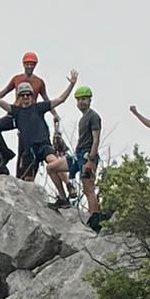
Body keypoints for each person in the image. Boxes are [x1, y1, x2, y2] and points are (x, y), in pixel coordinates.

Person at [0, 70, 80, 182]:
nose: (26, 97)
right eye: (23, 95)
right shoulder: (17, 111)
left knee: (52, 161)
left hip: (42, 144)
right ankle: (57, 196)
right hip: (29, 150)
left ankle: (68, 184)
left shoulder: (39, 107)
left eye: (28, 94)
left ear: (31, 96)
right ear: (19, 97)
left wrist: (72, 84)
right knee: (27, 179)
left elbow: (60, 100)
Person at [48, 84, 110, 227]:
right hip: (77, 156)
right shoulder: (83, 118)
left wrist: (90, 160)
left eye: (84, 99)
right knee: (51, 168)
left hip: (87, 157)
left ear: (90, 100)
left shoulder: (94, 117)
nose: (81, 102)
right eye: (78, 100)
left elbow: (96, 139)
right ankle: (64, 198)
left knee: (88, 189)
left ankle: (94, 219)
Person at [0, 52, 47, 169]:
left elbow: (46, 99)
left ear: (35, 65)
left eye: (32, 64)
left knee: (24, 148)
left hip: (29, 117)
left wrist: (55, 114)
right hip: (16, 112)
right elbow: (3, 92)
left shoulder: (39, 82)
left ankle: (22, 174)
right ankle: (6, 153)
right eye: (27, 64)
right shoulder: (17, 79)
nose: (29, 66)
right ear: (23, 65)